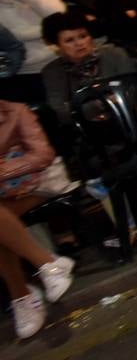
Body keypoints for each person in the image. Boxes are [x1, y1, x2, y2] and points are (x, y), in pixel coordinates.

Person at [0, 100, 76, 339]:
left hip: (38, 185)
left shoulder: (15, 111)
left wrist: (5, 169)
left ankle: (22, 298)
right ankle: (48, 265)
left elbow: (43, 154)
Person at [0, 0, 66, 104]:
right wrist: (47, 30)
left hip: (59, 62)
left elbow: (58, 18)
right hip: (26, 72)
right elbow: (10, 37)